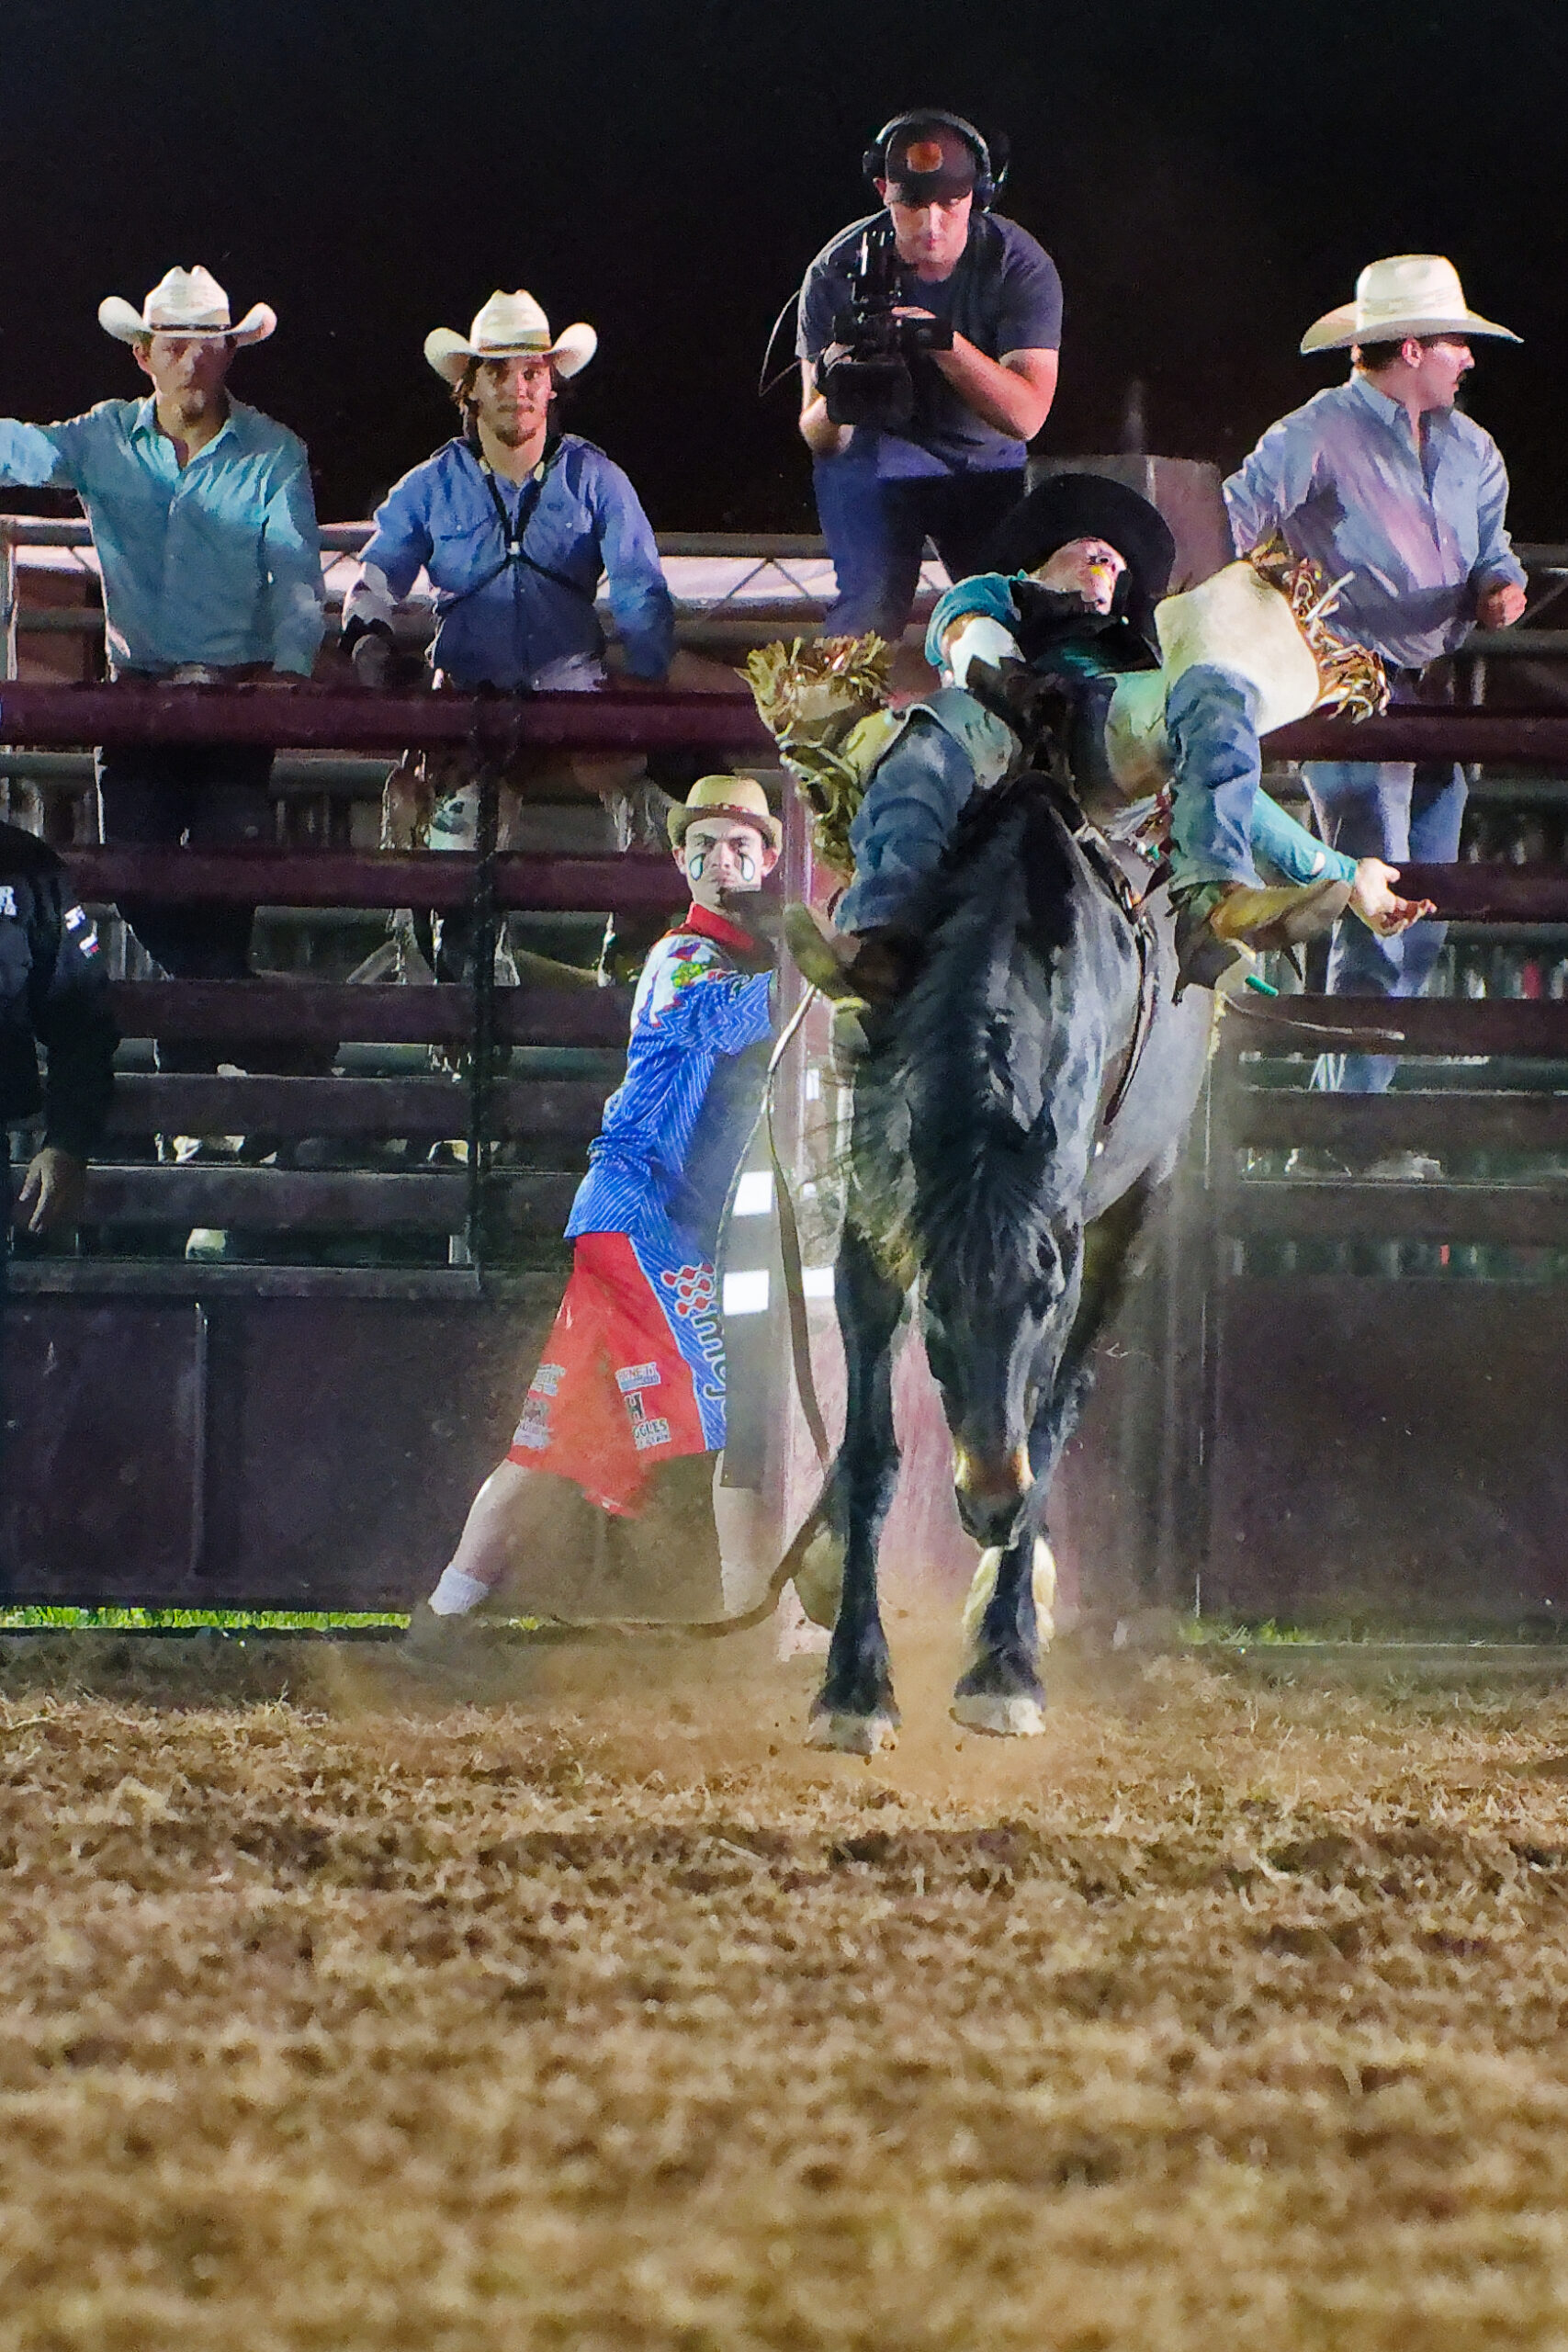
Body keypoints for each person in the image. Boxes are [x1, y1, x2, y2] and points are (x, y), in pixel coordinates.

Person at [746, 474, 1429, 1001]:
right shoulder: (997, 593)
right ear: (1046, 555)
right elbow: (963, 634)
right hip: (994, 732)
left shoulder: (1141, 656)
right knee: (929, 738)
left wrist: (1346, 874)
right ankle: (878, 934)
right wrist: (1008, 678)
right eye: (1090, 549)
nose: (1107, 560)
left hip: (1107, 744)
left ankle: (1215, 900)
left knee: (1214, 691)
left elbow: (1228, 780)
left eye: (1116, 561)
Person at [405, 775, 782, 1656]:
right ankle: (745, 1630)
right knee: (750, 1412)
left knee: (551, 1439)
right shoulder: (687, 959)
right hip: (647, 1219)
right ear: (681, 859)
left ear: (767, 859)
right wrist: (837, 957)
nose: (722, 862)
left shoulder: (726, 955)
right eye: (706, 846)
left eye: (740, 847)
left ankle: (443, 1618)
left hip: (628, 1218)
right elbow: (753, 1019)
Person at [0, 267, 324, 1068]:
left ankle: (213, 1080)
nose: (190, 363)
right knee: (139, 887)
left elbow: (295, 573)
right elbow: (19, 449)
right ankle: (280, 1049)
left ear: (227, 357)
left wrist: (288, 668)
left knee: (216, 894)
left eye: (205, 348)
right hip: (140, 698)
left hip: (232, 701)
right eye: (174, 347)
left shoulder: (273, 451)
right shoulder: (103, 437)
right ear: (145, 356)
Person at [1224, 254, 1528, 1093]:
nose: (1468, 358)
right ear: (1413, 349)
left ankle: (1352, 1108)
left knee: (1416, 913)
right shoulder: (1314, 434)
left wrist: (1499, 584)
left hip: (1432, 692)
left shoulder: (1471, 448)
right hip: (1350, 688)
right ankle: (1348, 1121)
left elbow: (1492, 547)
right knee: (1378, 901)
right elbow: (1233, 518)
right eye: (1456, 344)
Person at [342, 288, 678, 971]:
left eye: (531, 373)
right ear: (470, 389)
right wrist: (368, 640)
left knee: (651, 811)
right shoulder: (431, 484)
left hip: (572, 693)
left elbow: (641, 588)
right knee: (452, 842)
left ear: (552, 385)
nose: (517, 389)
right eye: (498, 373)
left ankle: (632, 951)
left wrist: (647, 685)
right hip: (469, 694)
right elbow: (375, 577)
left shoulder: (596, 478)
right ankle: (458, 965)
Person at [796, 111, 1061, 643]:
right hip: (875, 462)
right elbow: (817, 435)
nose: (932, 224)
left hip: (984, 464)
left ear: (978, 197)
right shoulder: (834, 270)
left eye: (950, 203)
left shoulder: (1019, 266)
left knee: (1008, 618)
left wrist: (942, 342)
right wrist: (838, 382)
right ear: (883, 192)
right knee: (867, 616)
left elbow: (1027, 416)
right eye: (913, 204)